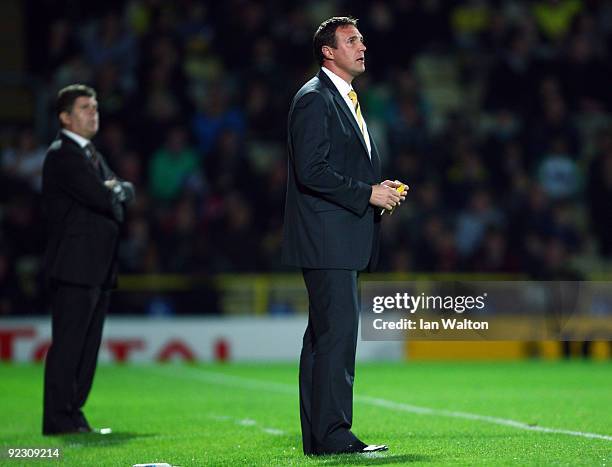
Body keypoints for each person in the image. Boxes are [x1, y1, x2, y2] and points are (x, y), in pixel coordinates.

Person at [282, 17, 406, 455]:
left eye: (362, 39)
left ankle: (321, 438)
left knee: (323, 336)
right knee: (335, 336)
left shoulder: (342, 98)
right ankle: (334, 435)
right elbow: (311, 170)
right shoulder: (315, 99)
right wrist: (366, 193)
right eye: (351, 40)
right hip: (326, 238)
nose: (362, 45)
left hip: (336, 235)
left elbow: (334, 167)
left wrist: (377, 189)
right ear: (328, 52)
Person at [42, 84, 134, 435]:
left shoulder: (90, 154)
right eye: (84, 107)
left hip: (96, 266)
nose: (93, 112)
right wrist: (114, 190)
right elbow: (103, 195)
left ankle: (73, 414)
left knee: (86, 347)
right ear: (65, 117)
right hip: (75, 266)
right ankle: (58, 418)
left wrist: (116, 191)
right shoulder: (64, 155)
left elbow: (126, 192)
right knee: (70, 345)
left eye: (95, 106)